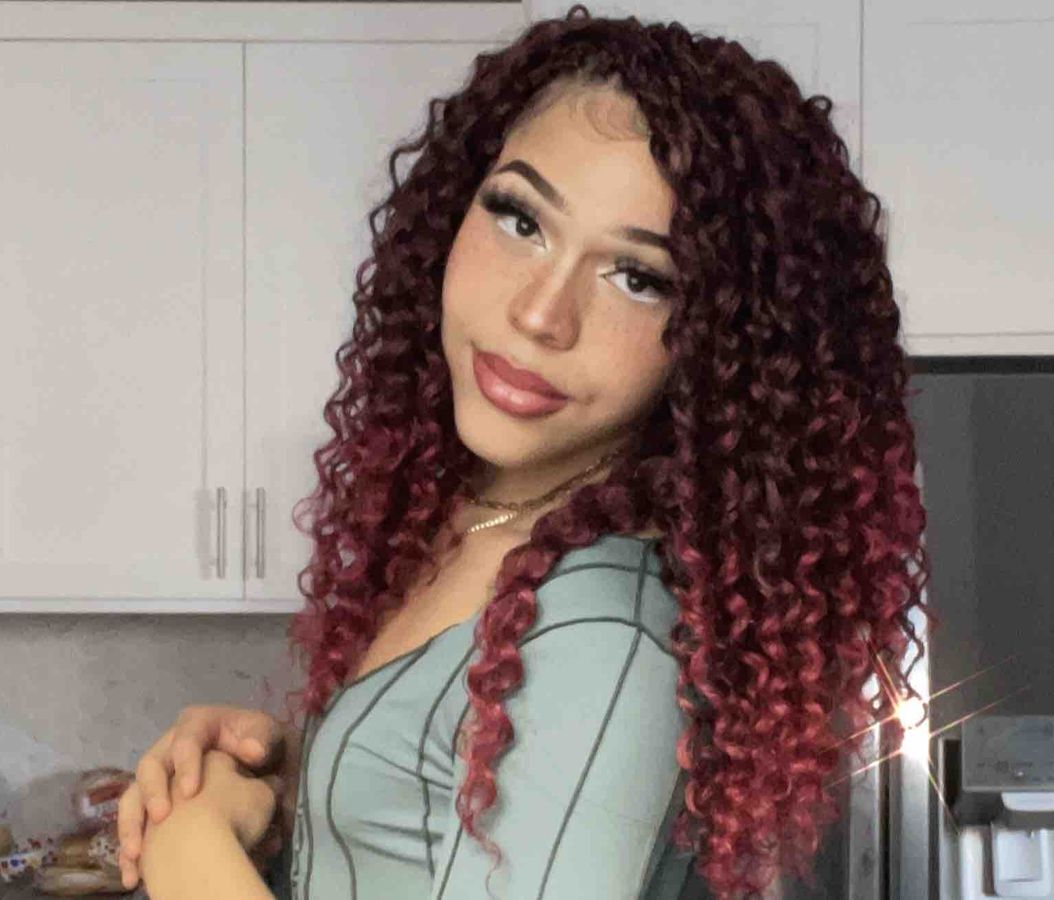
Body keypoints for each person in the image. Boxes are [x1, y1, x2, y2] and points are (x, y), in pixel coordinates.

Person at [114, 5, 930, 899]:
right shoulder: (481, 525)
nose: (541, 314)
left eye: (638, 277)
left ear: (720, 345)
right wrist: (279, 786)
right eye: (519, 218)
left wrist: (187, 843)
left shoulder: (600, 635)